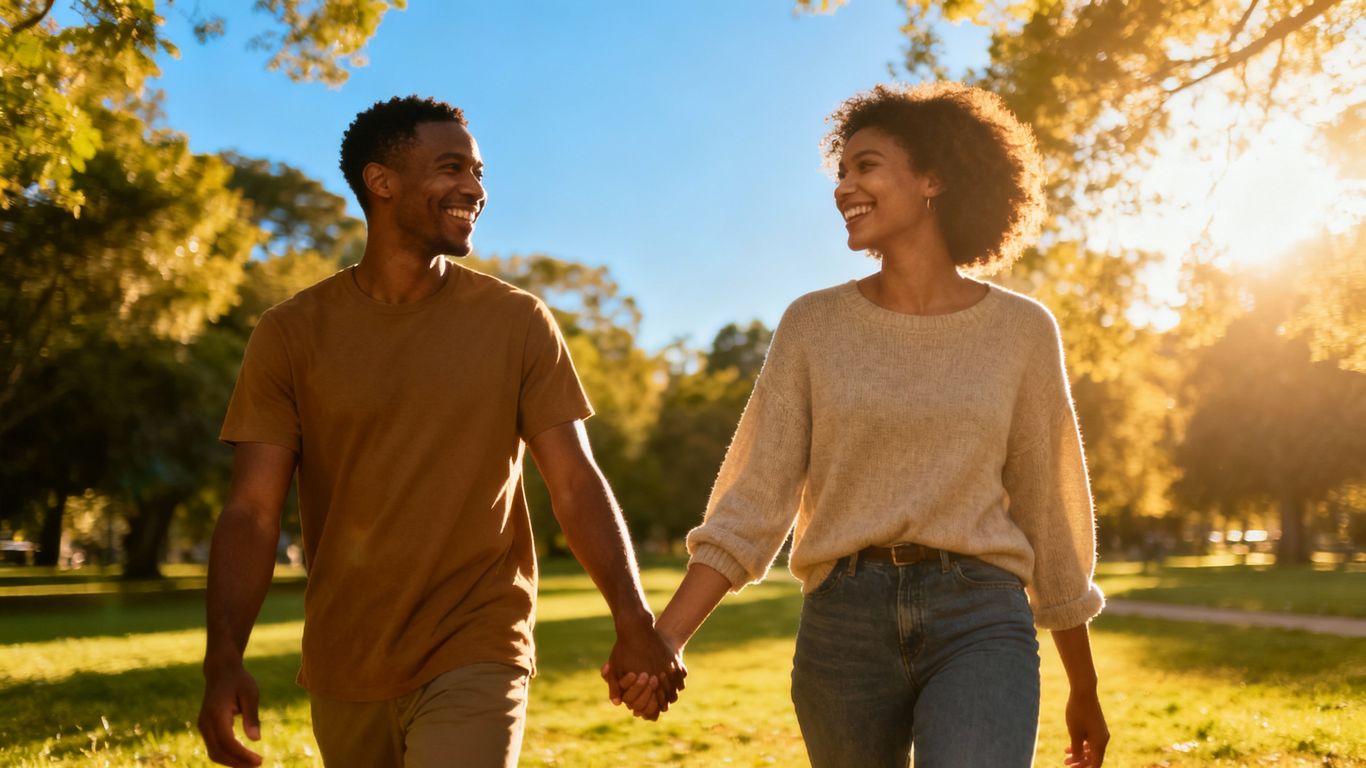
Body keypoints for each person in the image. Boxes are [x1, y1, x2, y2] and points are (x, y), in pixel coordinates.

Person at [607, 82, 1110, 767]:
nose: (844, 187)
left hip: (981, 613)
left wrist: (1083, 684)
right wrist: (664, 640)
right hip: (843, 623)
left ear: (932, 179)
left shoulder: (1022, 331)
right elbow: (754, 502)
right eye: (840, 172)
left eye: (866, 166)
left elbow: (1049, 509)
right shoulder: (813, 325)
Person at [197, 95, 684, 768]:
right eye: (452, 167)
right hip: (347, 658)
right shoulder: (290, 334)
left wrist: (635, 620)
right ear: (382, 182)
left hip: (479, 639)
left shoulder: (517, 323)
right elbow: (252, 511)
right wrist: (223, 659)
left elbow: (574, 480)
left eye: (479, 172)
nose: (476, 189)